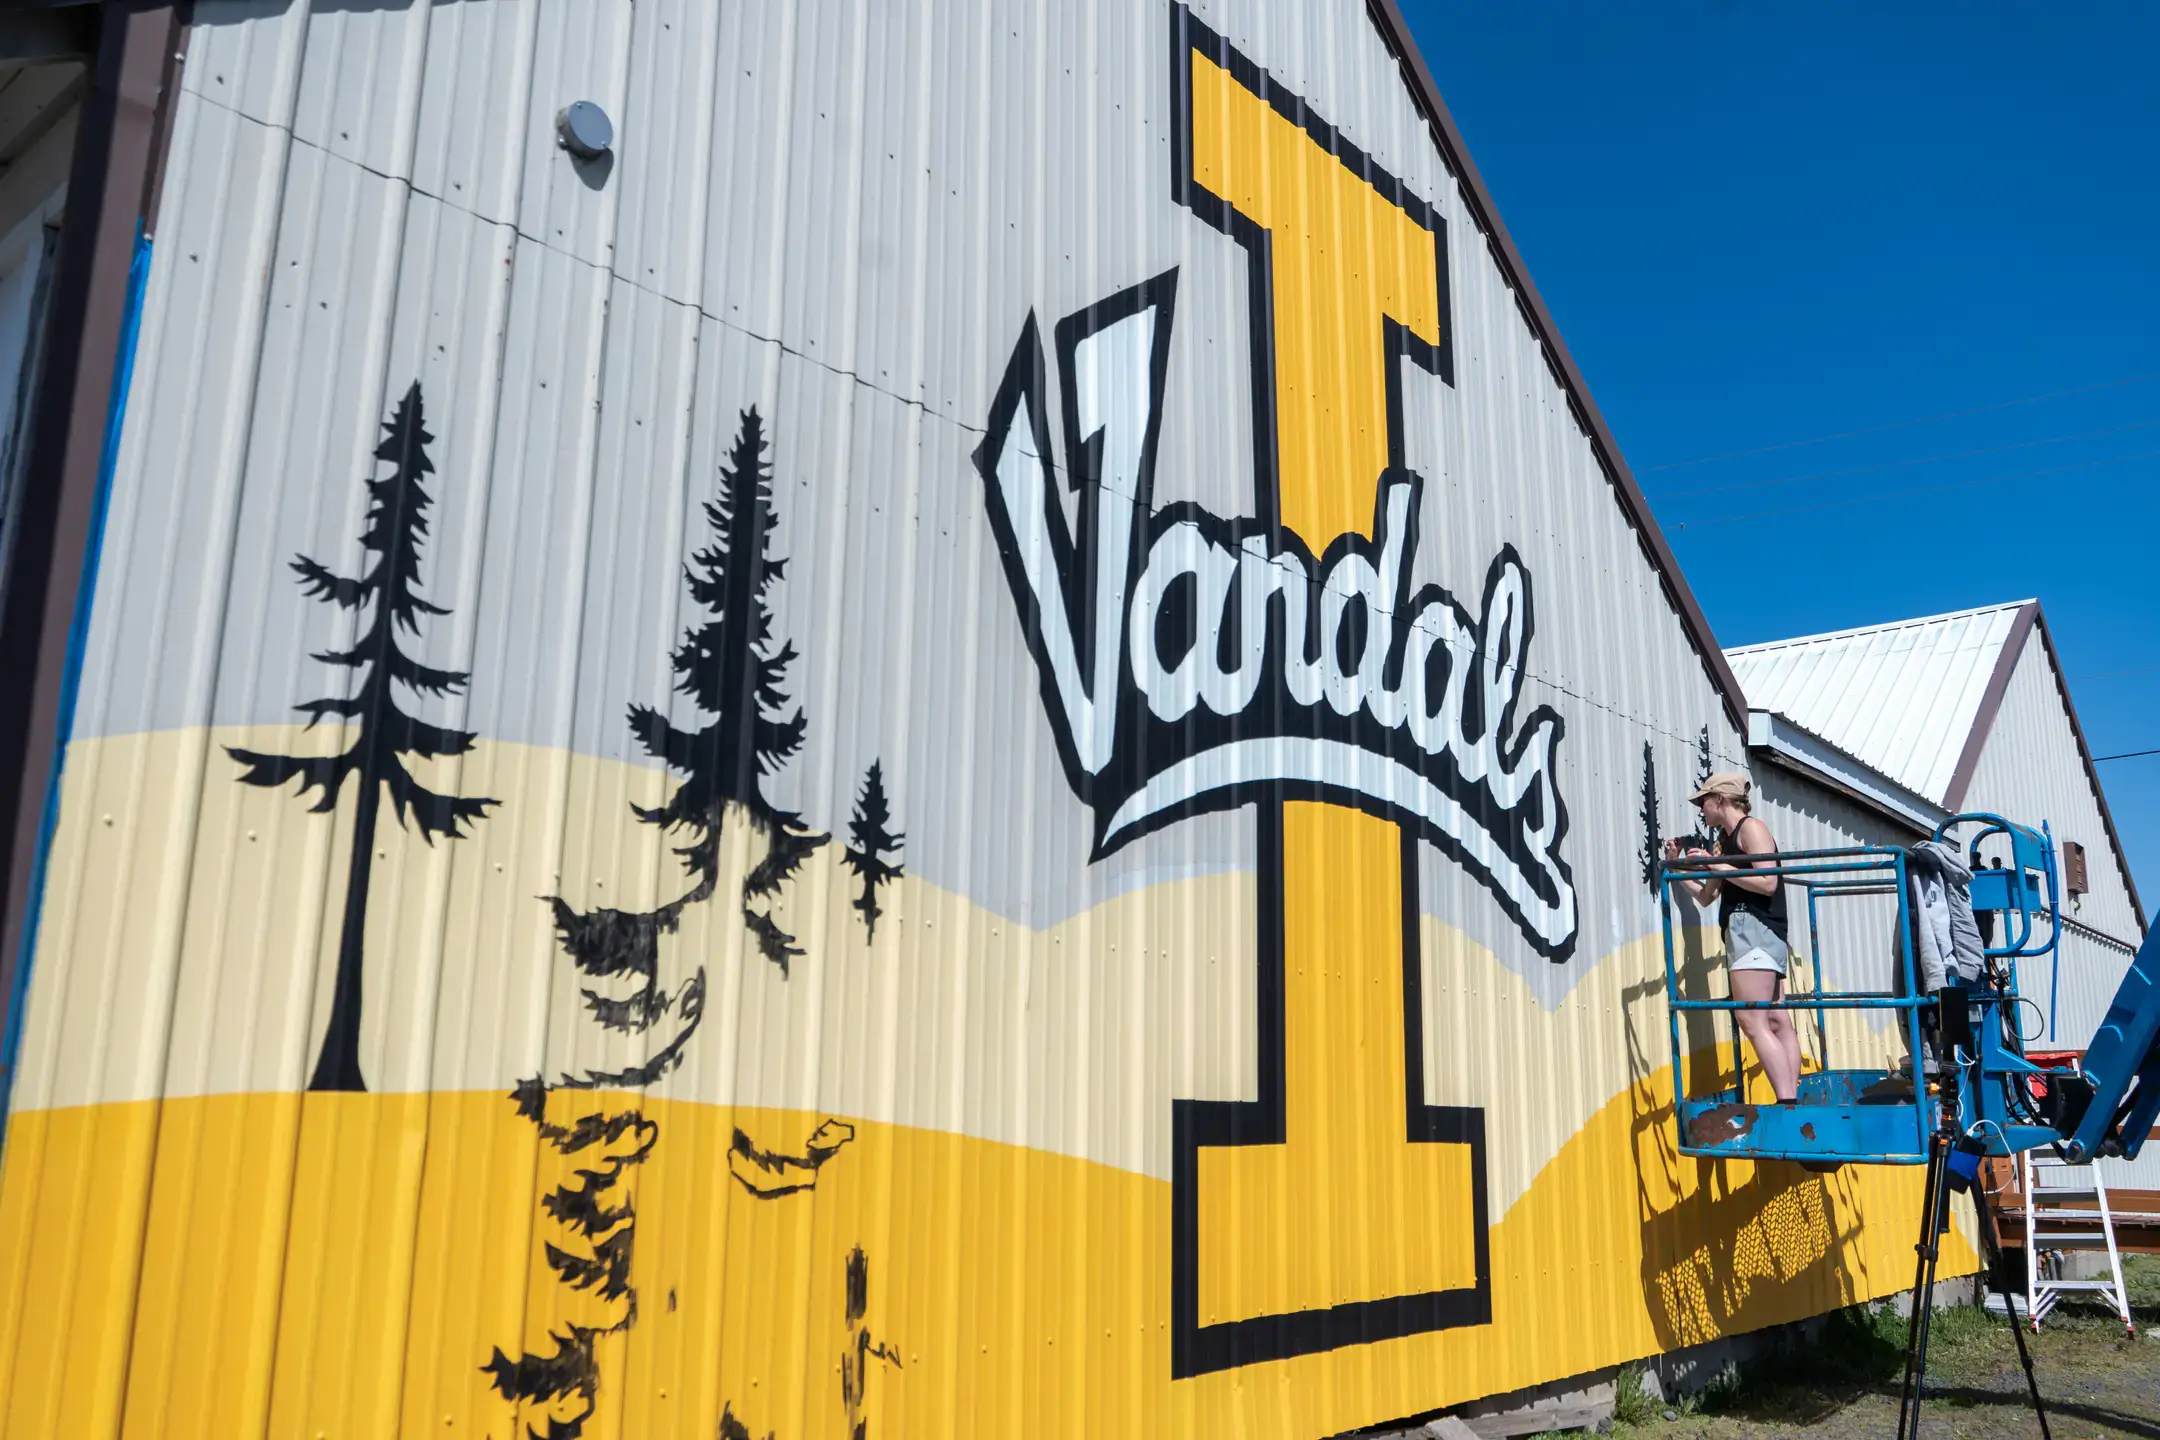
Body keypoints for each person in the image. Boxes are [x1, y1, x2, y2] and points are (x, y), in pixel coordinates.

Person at [1665, 771, 1803, 1104]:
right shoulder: (1723, 842)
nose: (1700, 809)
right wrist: (1677, 866)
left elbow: (1769, 881)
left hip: (1753, 926)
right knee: (1773, 1017)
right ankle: (1792, 1096)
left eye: (1703, 801)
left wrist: (1718, 864)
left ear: (1721, 800)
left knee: (1751, 1018)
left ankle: (1787, 1102)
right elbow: (1706, 897)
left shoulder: (1751, 828)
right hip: (1756, 929)